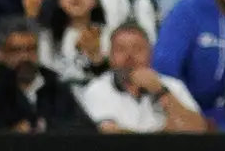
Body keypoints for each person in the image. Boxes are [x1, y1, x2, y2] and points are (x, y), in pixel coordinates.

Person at [77, 21, 208, 133]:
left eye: (138, 49)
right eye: (121, 49)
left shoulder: (173, 86)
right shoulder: (97, 90)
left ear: (150, 54)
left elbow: (199, 130)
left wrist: (161, 92)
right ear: (110, 57)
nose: (129, 56)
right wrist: (164, 133)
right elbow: (110, 135)